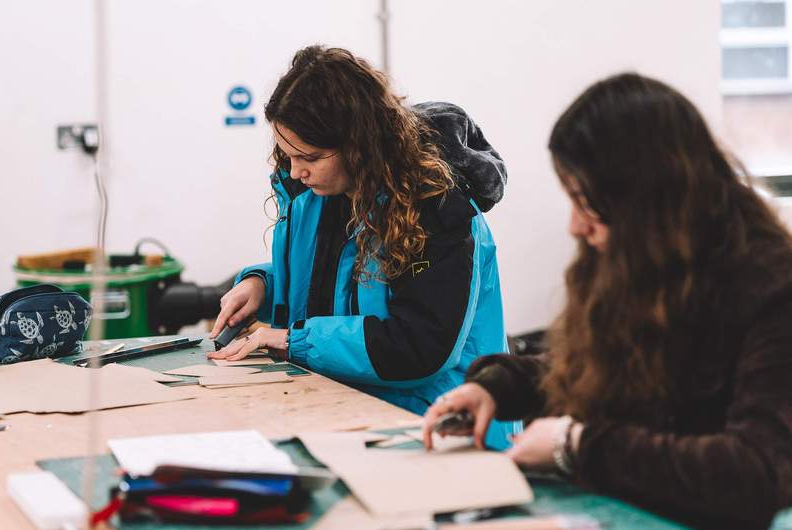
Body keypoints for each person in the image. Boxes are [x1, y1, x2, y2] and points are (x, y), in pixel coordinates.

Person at [422, 72, 792, 528]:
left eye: (586, 202)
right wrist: (497, 387)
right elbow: (596, 369)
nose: (576, 226)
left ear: (646, 196)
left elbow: (752, 474)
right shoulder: (648, 260)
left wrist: (574, 445)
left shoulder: (773, 287)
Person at [208, 44, 520, 447]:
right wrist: (262, 286)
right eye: (286, 156)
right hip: (353, 414)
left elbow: (420, 346)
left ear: (359, 144)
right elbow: (332, 284)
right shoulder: (319, 193)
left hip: (440, 429)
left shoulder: (438, 209)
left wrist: (290, 340)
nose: (296, 171)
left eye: (310, 157)